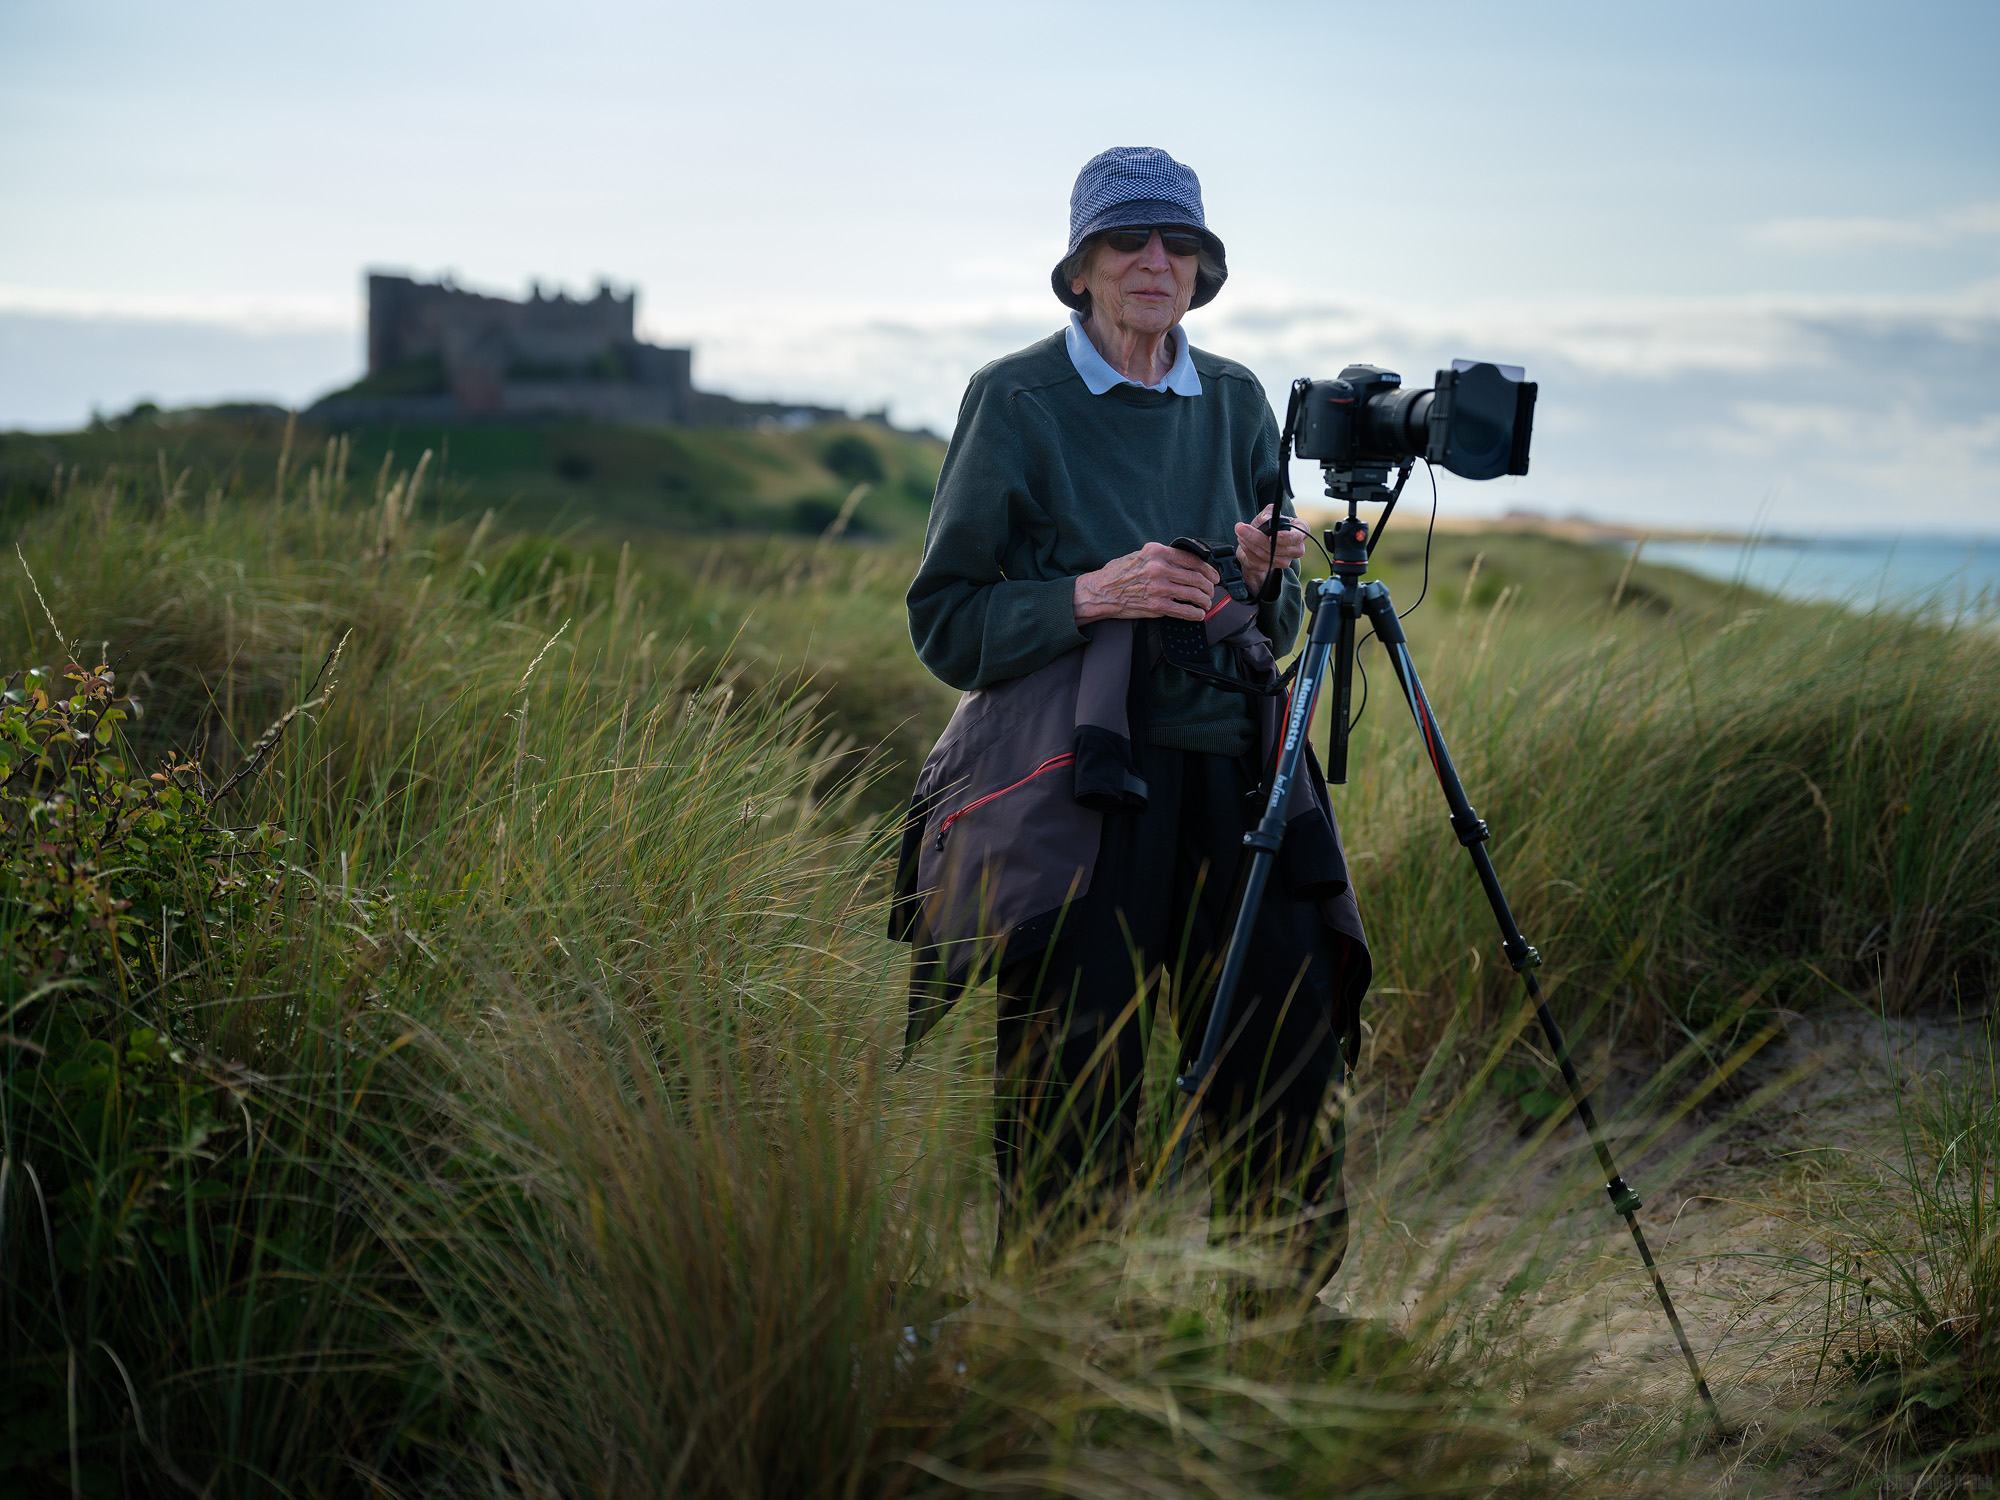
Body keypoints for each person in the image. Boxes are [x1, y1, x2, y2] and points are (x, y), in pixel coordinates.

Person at [890, 146, 1370, 1301]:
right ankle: (1056, 1362)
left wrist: (1263, 576)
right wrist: (1086, 595)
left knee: (1283, 1056)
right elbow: (944, 620)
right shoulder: (1016, 398)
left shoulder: (1241, 399)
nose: (1154, 262)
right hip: (1077, 782)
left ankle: (1275, 1344)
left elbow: (1281, 617)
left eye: (1177, 245)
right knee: (1074, 1083)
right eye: (1126, 242)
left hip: (1236, 775)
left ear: (1202, 270)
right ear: (1080, 269)